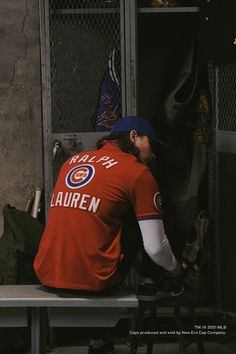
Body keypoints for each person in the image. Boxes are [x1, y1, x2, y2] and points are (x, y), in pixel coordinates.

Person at [34, 116, 185, 353]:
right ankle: (155, 281)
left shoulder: (72, 162)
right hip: (94, 280)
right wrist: (178, 271)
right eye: (150, 144)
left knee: (98, 222)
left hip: (47, 272)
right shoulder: (138, 173)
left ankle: (99, 338)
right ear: (134, 136)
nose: (152, 153)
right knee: (142, 221)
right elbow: (155, 247)